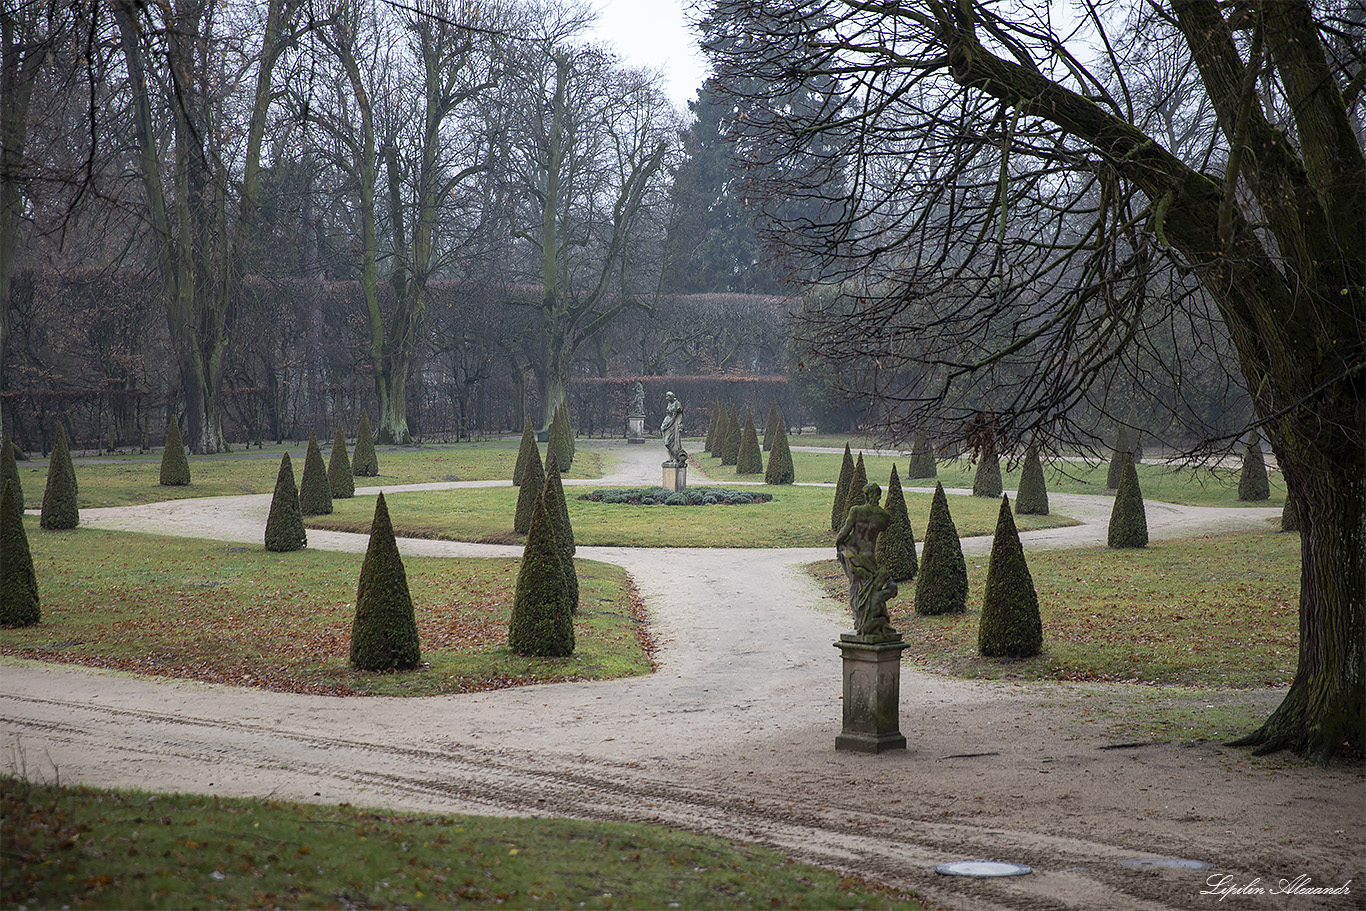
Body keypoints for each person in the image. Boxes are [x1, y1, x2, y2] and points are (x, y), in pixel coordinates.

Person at [834, 482, 898, 638]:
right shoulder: (883, 516)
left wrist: (838, 545)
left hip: (856, 556)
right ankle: (870, 621)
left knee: (856, 589)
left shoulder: (856, 511)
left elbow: (844, 532)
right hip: (870, 557)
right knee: (872, 589)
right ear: (879, 496)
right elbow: (883, 528)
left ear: (866, 495)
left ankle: (860, 622)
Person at [661, 391, 686, 463]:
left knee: (672, 442)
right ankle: (670, 458)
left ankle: (675, 457)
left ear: (672, 396)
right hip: (666, 423)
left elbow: (680, 414)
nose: (667, 398)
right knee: (666, 442)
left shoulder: (677, 404)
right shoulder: (669, 403)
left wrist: (680, 424)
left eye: (668, 397)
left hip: (674, 424)